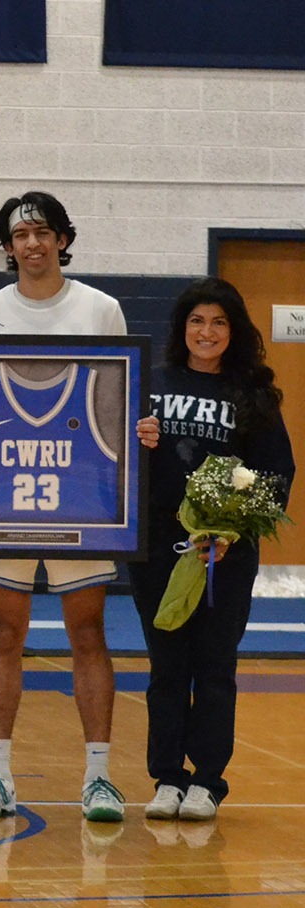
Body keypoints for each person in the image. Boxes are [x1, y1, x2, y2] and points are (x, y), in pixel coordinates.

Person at [0, 191, 143, 823]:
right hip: (1, 498)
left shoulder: (101, 309)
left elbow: (116, 405)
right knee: (5, 634)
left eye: (43, 232)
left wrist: (138, 430)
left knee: (88, 633)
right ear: (7, 246)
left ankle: (99, 777)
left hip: (82, 502)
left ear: (63, 239)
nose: (33, 244)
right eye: (20, 235)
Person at [133, 278, 293, 821]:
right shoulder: (148, 387)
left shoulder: (254, 396)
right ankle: (166, 778)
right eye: (197, 321)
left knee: (216, 666)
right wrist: (137, 442)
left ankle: (206, 781)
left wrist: (227, 534)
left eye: (219, 322)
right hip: (158, 551)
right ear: (182, 329)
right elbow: (120, 467)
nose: (207, 332)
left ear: (234, 331)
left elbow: (275, 476)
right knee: (166, 667)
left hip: (227, 554)